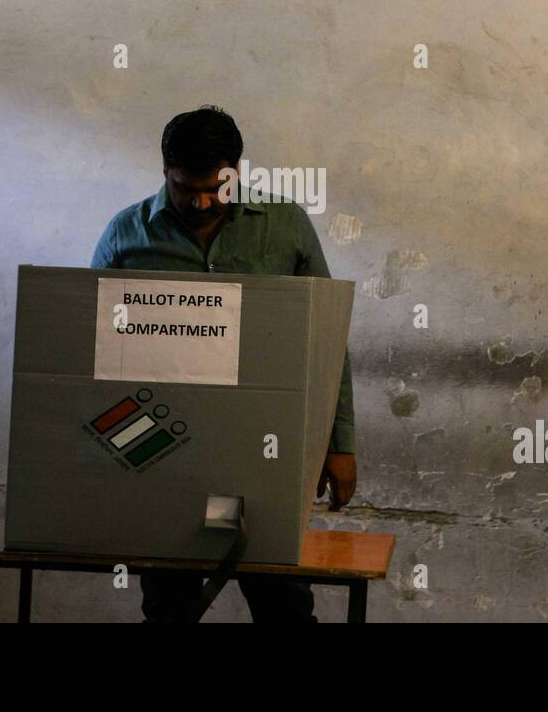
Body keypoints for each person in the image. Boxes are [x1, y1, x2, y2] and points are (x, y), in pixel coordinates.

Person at [89, 105, 357, 622]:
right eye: (187, 187)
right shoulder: (126, 235)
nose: (202, 200)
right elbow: (92, 354)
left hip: (267, 450)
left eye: (217, 186)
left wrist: (339, 444)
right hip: (161, 453)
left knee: (285, 607)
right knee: (168, 609)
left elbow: (329, 342)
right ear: (164, 169)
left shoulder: (286, 227)